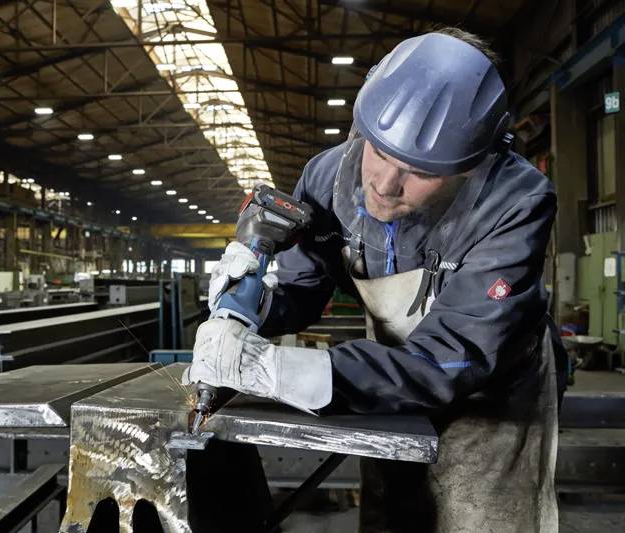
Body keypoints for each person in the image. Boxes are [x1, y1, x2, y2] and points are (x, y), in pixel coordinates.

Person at [183, 28, 567, 533]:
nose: (385, 186)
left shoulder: (515, 203)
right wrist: (248, 304)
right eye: (380, 153)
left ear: (471, 163)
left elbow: (454, 356)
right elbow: (302, 291)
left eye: (420, 171)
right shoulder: (326, 179)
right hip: (385, 375)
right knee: (392, 511)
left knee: (480, 516)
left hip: (490, 391)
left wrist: (284, 371)